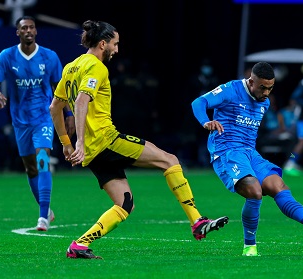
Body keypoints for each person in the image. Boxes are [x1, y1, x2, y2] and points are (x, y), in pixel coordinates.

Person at [49, 20, 229, 260]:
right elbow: (82, 101)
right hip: (106, 140)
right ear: (103, 43)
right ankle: (197, 221)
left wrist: (66, 143)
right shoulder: (96, 67)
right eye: (115, 44)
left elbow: (55, 107)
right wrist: (77, 142)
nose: (117, 49)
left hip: (93, 153)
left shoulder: (71, 67)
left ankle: (79, 245)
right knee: (170, 160)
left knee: (125, 204)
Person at [191, 62, 303, 256]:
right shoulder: (231, 89)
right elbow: (198, 102)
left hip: (250, 152)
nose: (266, 92)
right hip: (227, 151)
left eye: (270, 88)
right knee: (254, 191)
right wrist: (206, 122)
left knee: (277, 185)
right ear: (251, 81)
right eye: (262, 87)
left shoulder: (265, 101)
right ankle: (249, 247)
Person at [0, 15, 72, 231]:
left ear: (36, 31)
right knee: (30, 167)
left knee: (43, 158)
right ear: (18, 32)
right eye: (24, 27)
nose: (28, 31)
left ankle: (43, 216)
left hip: (43, 118)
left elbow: (59, 89)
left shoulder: (49, 57)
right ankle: (46, 209)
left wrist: (69, 113)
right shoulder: (7, 56)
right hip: (20, 121)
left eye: (31, 27)